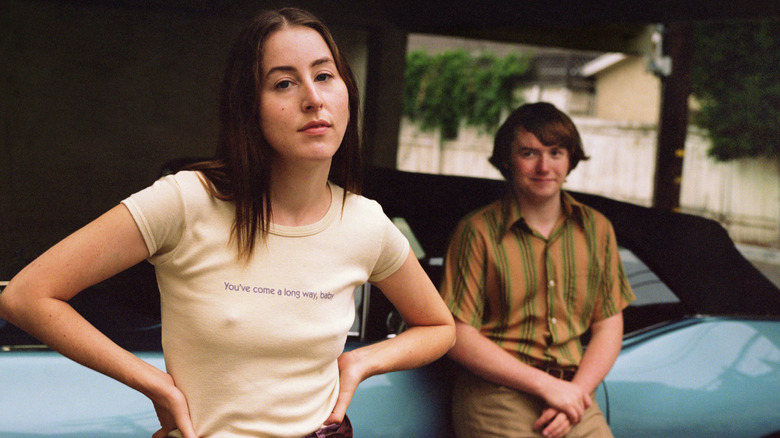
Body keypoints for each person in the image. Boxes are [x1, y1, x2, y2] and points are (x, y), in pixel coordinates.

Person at [0, 8, 455, 438]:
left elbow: (439, 327)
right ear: (247, 106)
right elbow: (26, 296)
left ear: (347, 92)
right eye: (283, 84)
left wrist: (362, 363)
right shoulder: (187, 200)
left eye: (323, 75)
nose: (313, 99)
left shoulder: (364, 223)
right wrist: (154, 383)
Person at [439, 102, 635, 438]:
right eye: (529, 153)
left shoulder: (596, 228)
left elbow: (607, 324)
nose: (544, 166)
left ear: (570, 160)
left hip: (572, 391)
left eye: (556, 152)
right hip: (496, 393)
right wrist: (546, 386)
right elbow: (457, 334)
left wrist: (574, 393)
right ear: (506, 160)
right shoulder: (477, 231)